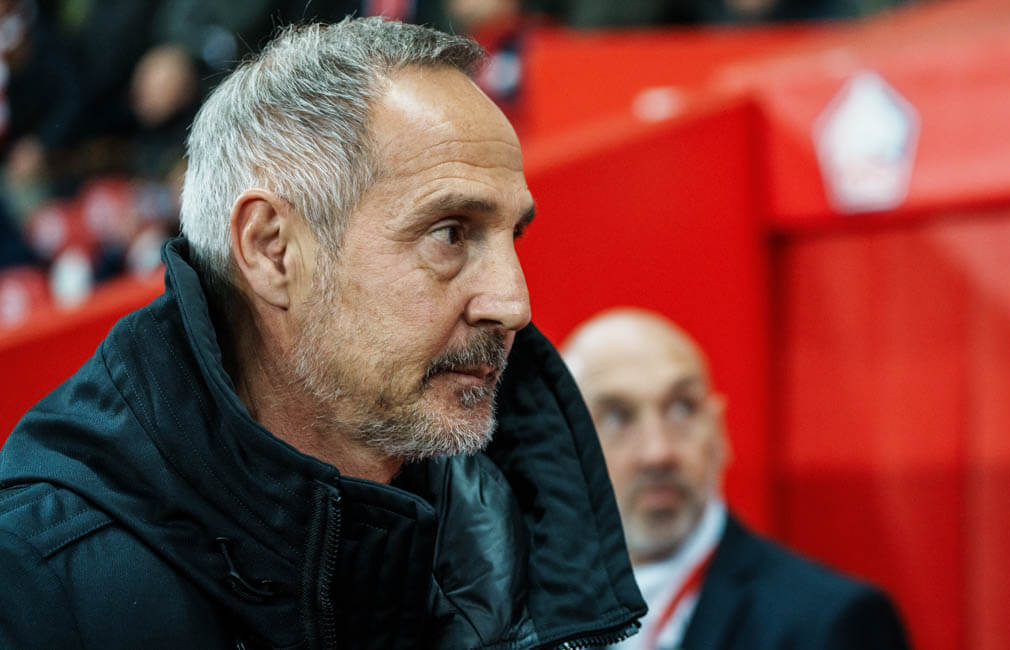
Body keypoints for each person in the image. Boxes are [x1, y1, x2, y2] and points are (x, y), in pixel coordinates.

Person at [0, 18, 645, 648]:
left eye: (514, 236)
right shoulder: (35, 587)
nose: (514, 304)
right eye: (450, 233)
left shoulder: (521, 537)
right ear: (273, 250)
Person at [561, 308, 909, 650]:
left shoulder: (831, 624)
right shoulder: (537, 611)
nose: (658, 452)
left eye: (682, 408)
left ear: (719, 431)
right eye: (616, 418)